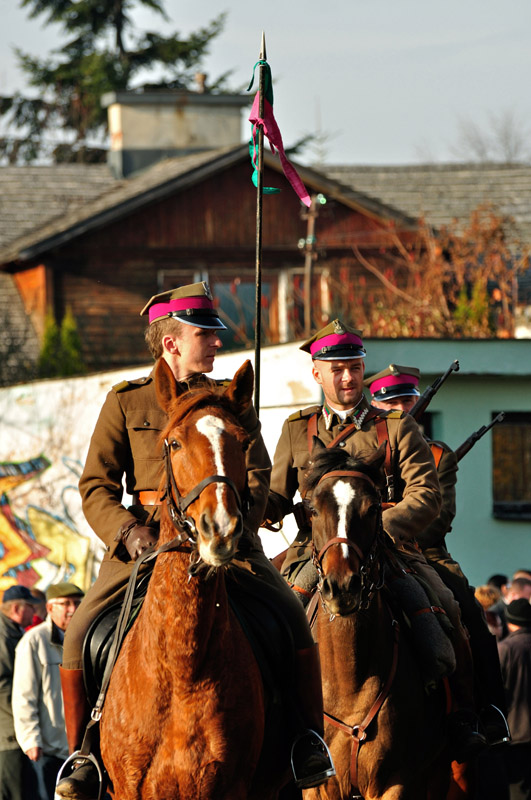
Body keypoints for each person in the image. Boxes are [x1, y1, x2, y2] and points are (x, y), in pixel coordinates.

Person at [56, 282, 334, 799]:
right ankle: (83, 758)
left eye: (215, 334)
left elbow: (257, 475)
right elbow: (95, 483)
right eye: (205, 334)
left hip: (227, 535)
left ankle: (306, 742)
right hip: (144, 545)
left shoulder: (232, 399)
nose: (216, 344)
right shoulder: (127, 402)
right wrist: (129, 532)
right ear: (171, 344)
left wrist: (236, 520)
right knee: (78, 636)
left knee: (293, 619)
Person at [264, 321, 485, 762]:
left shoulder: (397, 426)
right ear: (317, 374)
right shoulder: (296, 429)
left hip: (385, 550)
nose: (348, 378)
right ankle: (269, 723)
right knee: (265, 617)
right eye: (337, 369)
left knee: (452, 602)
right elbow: (275, 492)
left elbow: (426, 494)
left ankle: (466, 714)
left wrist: (376, 528)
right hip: (315, 553)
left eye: (354, 367)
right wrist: (257, 504)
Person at [12, 582, 84, 800]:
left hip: (78, 751)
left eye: (77, 603)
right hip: (46, 749)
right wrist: (31, 739)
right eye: (65, 604)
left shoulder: (84, 638)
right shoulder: (33, 641)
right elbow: (24, 695)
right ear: (50, 608)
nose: (72, 609)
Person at [0, 585, 39, 800]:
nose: (34, 612)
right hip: (8, 734)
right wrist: (24, 715)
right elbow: (2, 682)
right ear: (16, 609)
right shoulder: (2, 633)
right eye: (30, 607)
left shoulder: (12, 631)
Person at [497, 599, 531, 800]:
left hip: (516, 733)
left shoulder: (504, 649)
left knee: (517, 791)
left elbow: (496, 692)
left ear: (509, 622)